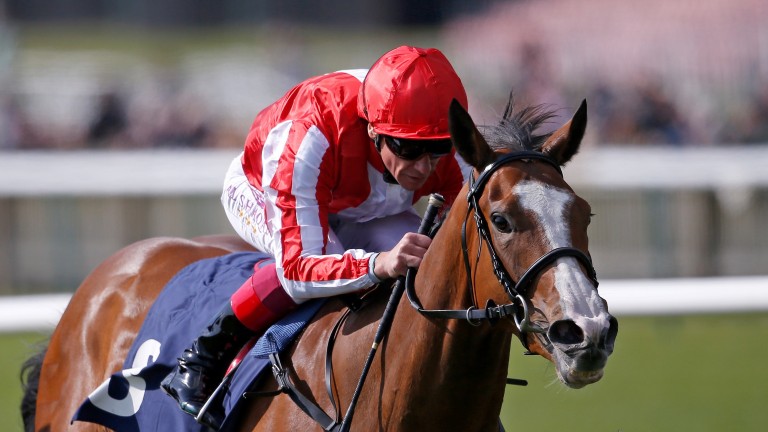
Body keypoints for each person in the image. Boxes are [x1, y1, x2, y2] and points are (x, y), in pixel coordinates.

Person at [161, 45, 471, 427]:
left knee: (415, 259)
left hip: (364, 203)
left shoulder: (448, 149)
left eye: (437, 149)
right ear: (374, 127)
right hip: (262, 187)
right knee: (331, 268)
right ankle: (205, 355)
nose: (423, 166)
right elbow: (298, 267)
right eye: (407, 148)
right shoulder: (312, 132)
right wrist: (378, 263)